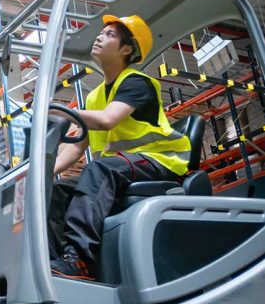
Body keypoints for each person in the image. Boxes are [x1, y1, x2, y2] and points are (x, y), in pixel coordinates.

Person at [49, 14, 191, 281]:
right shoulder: (94, 96)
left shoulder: (137, 82)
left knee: (99, 169)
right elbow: (77, 148)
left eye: (110, 34)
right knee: (56, 190)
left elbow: (107, 120)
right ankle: (56, 264)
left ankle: (79, 259)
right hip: (122, 167)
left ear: (126, 49)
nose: (100, 36)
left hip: (160, 161)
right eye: (101, 32)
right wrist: (44, 172)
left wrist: (60, 112)